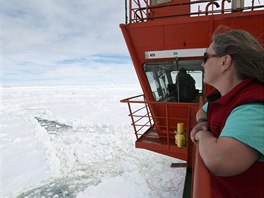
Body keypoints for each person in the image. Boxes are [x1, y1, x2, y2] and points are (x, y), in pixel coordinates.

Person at [190, 28, 264, 198]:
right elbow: (203, 110)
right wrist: (203, 123)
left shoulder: (254, 105)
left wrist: (203, 136)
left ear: (225, 62)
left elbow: (219, 161)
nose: (202, 64)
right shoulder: (227, 97)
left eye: (205, 57)